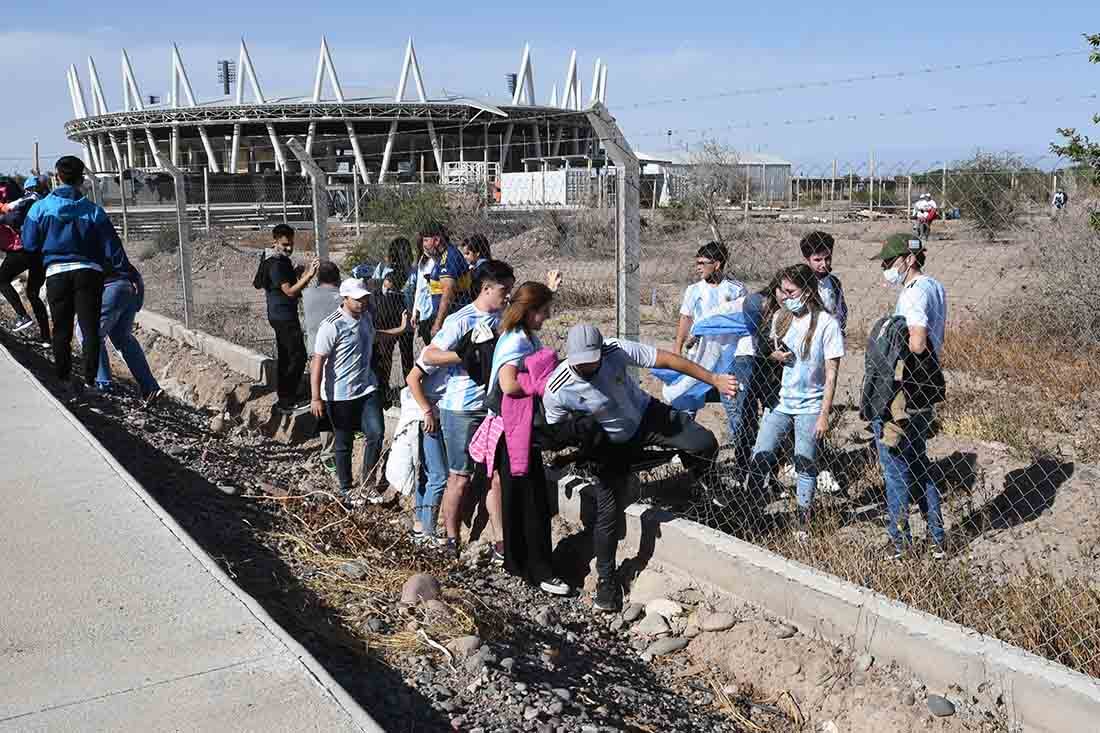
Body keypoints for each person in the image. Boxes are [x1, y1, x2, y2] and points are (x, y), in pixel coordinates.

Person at [542, 324, 737, 612]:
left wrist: (714, 379)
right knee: (609, 511)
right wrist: (581, 447)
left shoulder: (614, 350)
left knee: (703, 442)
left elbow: (668, 360)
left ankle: (706, 489)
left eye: (591, 360)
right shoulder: (557, 389)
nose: (587, 366)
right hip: (609, 443)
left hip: (646, 416)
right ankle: (607, 581)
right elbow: (555, 431)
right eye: (580, 362)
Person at [472, 281, 570, 596]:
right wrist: (542, 383)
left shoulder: (518, 335)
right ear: (528, 312)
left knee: (518, 497)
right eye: (542, 312)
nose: (546, 317)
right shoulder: (516, 342)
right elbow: (510, 384)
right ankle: (539, 570)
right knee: (532, 500)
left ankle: (516, 562)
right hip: (515, 431)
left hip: (513, 427)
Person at [420, 260, 515, 558]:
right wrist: (462, 354)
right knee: (459, 477)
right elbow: (429, 355)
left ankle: (501, 541)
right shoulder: (461, 320)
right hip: (460, 409)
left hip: (491, 410)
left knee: (493, 476)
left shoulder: (503, 318)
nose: (508, 295)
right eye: (504, 289)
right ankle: (451, 538)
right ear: (486, 288)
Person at [742, 264, 844, 539]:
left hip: (810, 405)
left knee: (805, 463)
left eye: (790, 291)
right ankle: (750, 512)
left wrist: (824, 414)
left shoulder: (827, 324)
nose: (784, 297)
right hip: (780, 402)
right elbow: (769, 351)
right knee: (760, 455)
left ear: (807, 290)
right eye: (783, 291)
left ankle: (802, 522)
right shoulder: (781, 319)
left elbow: (832, 374)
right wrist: (773, 356)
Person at [871, 233, 948, 560]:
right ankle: (937, 539)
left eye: (890, 262)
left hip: (906, 389)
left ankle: (899, 541)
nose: (887, 269)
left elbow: (916, 341)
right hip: (927, 387)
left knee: (894, 465)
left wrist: (894, 338)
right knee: (918, 461)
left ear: (910, 259)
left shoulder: (914, 293)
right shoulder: (934, 286)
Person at [21, 156, 124, 397]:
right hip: (89, 275)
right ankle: (91, 383)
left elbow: (29, 242)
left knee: (61, 330)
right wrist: (126, 272)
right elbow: (113, 248)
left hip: (56, 274)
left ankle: (64, 379)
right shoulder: (94, 211)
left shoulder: (40, 208)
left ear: (58, 176)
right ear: (81, 179)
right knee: (90, 330)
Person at [310, 278, 386, 505]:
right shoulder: (331, 325)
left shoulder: (366, 318)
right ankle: (346, 487)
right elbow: (318, 362)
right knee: (344, 442)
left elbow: (375, 335)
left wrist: (400, 330)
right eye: (358, 299)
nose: (363, 302)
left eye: (365, 298)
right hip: (339, 394)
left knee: (376, 433)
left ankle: (368, 485)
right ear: (345, 298)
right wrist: (315, 397)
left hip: (366, 389)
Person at [91, 245, 163, 405]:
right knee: (123, 339)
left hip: (110, 290)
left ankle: (103, 384)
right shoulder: (108, 249)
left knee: (88, 334)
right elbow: (134, 273)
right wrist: (139, 299)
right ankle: (150, 387)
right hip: (129, 289)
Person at [264, 224, 318, 413]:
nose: (288, 248)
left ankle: (286, 397)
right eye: (285, 244)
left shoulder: (276, 260)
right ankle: (287, 399)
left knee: (287, 356)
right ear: (275, 242)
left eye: (291, 244)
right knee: (297, 356)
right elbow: (289, 291)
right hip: (283, 315)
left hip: (280, 314)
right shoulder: (277, 263)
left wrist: (299, 275)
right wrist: (309, 276)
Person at [303, 261, 344, 474]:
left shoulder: (308, 295)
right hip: (338, 356)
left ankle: (327, 451)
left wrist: (309, 273)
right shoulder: (341, 298)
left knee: (322, 399)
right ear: (337, 278)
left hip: (315, 355)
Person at [405, 352, 450, 545]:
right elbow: (411, 379)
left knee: (427, 472)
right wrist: (427, 411)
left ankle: (420, 527)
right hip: (428, 416)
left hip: (427, 414)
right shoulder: (437, 351)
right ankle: (428, 532)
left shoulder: (437, 349)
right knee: (438, 476)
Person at [0, 176, 50, 342]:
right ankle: (45, 337)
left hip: (22, 249)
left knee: (1, 279)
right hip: (39, 252)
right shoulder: (44, 200)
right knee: (33, 293)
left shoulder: (27, 200)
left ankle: (23, 316)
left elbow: (12, 217)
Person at [371, 270, 411, 407]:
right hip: (385, 329)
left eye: (391, 287)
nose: (388, 289)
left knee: (406, 358)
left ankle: (409, 386)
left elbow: (405, 309)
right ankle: (384, 388)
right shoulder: (376, 294)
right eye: (386, 285)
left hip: (401, 327)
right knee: (384, 358)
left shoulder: (400, 295)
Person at [425, 223, 471, 338]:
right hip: (449, 319)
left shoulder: (450, 256)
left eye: (426, 240)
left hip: (453, 321)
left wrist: (438, 324)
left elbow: (448, 292)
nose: (423, 245)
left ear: (436, 240)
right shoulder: (442, 257)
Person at [799, 231, 847, 333]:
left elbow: (841, 312)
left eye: (827, 258)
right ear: (807, 259)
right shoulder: (800, 283)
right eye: (818, 260)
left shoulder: (834, 282)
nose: (824, 264)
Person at [412, 231, 437, 346]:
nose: (425, 246)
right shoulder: (422, 261)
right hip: (424, 309)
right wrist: (415, 311)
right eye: (422, 244)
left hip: (435, 307)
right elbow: (419, 288)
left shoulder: (438, 261)